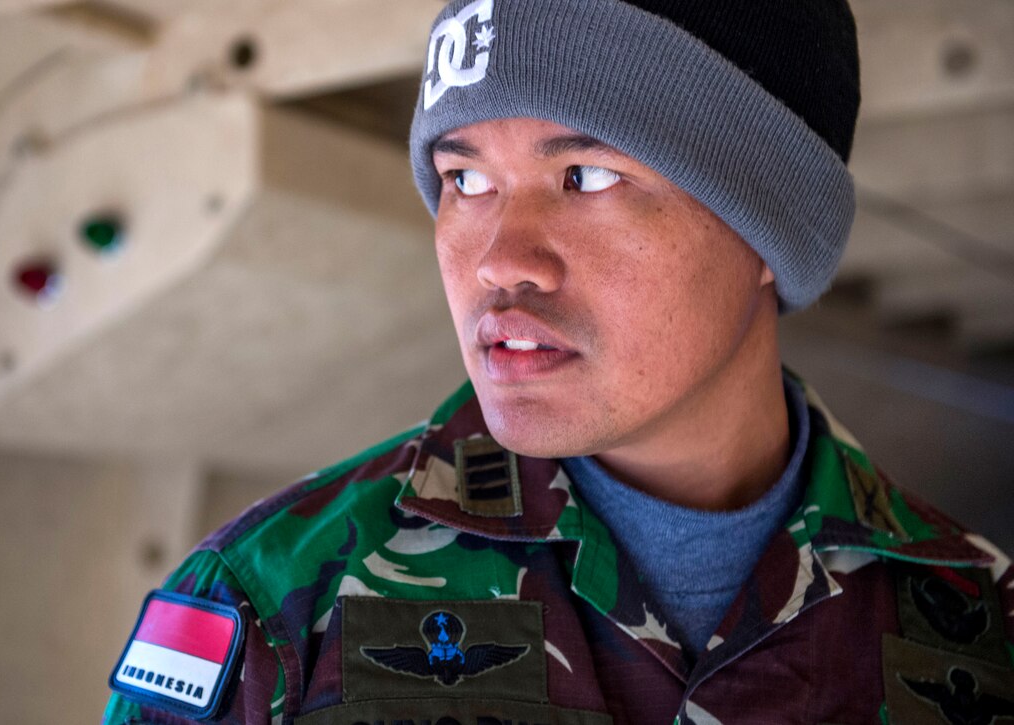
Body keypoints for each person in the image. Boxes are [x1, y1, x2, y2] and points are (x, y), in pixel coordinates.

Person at [103, 1, 1014, 723]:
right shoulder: (270, 611)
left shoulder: (985, 629)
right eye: (465, 180)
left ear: (767, 226)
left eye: (586, 177)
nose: (501, 258)